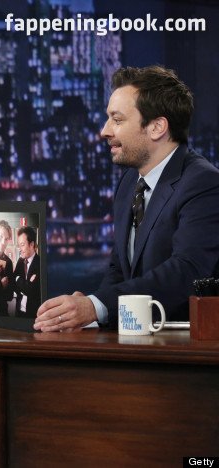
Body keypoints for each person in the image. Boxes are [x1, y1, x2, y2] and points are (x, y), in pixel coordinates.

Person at [35, 65, 219, 333]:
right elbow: (119, 269)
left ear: (156, 127)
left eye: (117, 120)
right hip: (134, 340)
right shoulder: (129, 183)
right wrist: (92, 310)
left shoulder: (204, 183)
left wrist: (96, 306)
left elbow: (187, 272)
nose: (104, 131)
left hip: (184, 344)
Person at [13, 226, 41, 318]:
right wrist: (25, 285)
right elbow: (13, 283)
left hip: (34, 314)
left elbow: (32, 290)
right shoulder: (20, 261)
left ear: (31, 244)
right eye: (19, 245)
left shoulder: (40, 263)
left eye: (22, 245)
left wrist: (18, 279)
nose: (19, 249)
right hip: (18, 313)